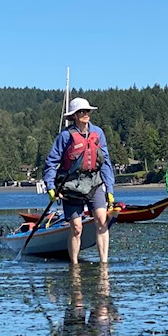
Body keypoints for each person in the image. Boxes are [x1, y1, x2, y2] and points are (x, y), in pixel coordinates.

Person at [43, 97, 115, 263]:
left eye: (87, 111)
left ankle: (104, 262)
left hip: (94, 183)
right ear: (74, 116)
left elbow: (105, 162)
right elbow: (51, 163)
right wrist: (51, 187)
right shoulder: (64, 137)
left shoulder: (98, 133)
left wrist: (109, 189)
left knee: (102, 220)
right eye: (81, 111)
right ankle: (74, 264)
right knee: (76, 227)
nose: (85, 114)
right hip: (72, 185)